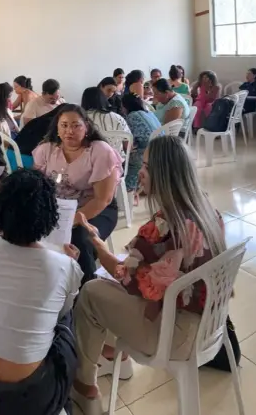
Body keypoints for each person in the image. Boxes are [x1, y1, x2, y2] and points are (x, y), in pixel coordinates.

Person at [70, 136, 226, 412]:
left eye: (145, 166)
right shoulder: (206, 210)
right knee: (108, 290)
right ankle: (112, 355)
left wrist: (99, 248)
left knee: (92, 291)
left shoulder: (164, 225)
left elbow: (126, 276)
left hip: (175, 335)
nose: (139, 172)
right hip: (210, 325)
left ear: (164, 174)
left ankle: (85, 387)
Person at [0, 169, 82, 415]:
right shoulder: (63, 266)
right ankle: (68, 400)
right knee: (65, 317)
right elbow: (60, 313)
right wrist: (68, 264)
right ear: (50, 218)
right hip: (30, 400)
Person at [33, 105, 121, 284]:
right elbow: (35, 184)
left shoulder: (100, 151)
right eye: (64, 125)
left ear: (86, 127)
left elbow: (102, 199)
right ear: (57, 128)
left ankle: (85, 287)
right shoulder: (47, 150)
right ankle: (48, 283)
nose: (69, 131)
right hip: (58, 209)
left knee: (80, 238)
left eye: (76, 125)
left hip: (95, 210)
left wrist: (71, 221)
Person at [121, 93, 160, 192]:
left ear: (125, 106)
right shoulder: (149, 113)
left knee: (121, 159)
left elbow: (130, 144)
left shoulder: (132, 117)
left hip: (147, 153)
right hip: (159, 149)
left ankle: (129, 188)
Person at [82, 87, 131, 160]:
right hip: (116, 162)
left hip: (90, 161)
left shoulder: (82, 119)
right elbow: (128, 145)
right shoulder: (118, 118)